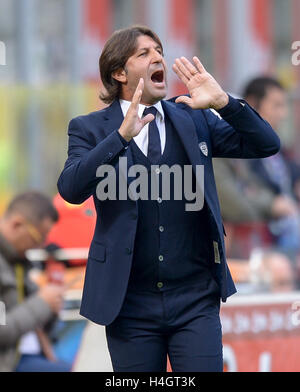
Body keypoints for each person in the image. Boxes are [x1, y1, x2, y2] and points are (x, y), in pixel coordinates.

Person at [57, 25, 280, 372]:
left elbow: (266, 143)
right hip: (128, 303)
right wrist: (119, 138)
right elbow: (71, 188)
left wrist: (224, 103)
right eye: (144, 53)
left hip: (195, 298)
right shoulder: (90, 129)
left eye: (159, 50)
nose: (158, 57)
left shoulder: (193, 115)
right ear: (119, 72)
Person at [0, 191, 71, 372]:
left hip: (28, 356)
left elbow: (37, 325)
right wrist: (42, 303)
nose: (40, 246)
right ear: (17, 224)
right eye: (39, 238)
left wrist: (52, 307)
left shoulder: (17, 261)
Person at [243, 77, 300, 256]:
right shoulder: (236, 150)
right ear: (253, 104)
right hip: (259, 245)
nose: (282, 114)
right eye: (276, 105)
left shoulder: (280, 151)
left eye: (284, 106)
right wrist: (273, 204)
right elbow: (241, 191)